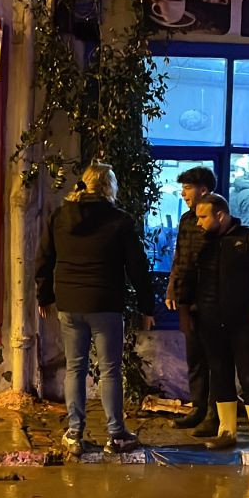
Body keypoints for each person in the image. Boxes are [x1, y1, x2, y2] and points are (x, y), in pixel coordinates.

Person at [35, 163, 156, 456]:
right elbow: (137, 266)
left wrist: (44, 296)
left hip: (70, 303)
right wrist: (146, 306)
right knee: (110, 370)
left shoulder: (60, 216)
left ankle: (75, 433)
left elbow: (44, 258)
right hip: (105, 302)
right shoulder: (119, 220)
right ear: (109, 187)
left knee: (74, 368)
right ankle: (116, 435)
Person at [180, 193, 249, 453]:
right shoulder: (202, 243)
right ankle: (226, 432)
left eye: (203, 216)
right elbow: (188, 277)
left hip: (244, 322)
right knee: (220, 377)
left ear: (221, 216)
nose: (199, 222)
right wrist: (185, 312)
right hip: (210, 322)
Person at [163, 166, 218, 437]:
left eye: (187, 187)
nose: (183, 193)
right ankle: (198, 407)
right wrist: (172, 288)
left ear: (203, 190)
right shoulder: (186, 220)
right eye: (183, 188)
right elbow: (180, 256)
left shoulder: (217, 220)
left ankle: (214, 413)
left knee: (214, 356)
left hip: (210, 299)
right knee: (194, 355)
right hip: (187, 298)